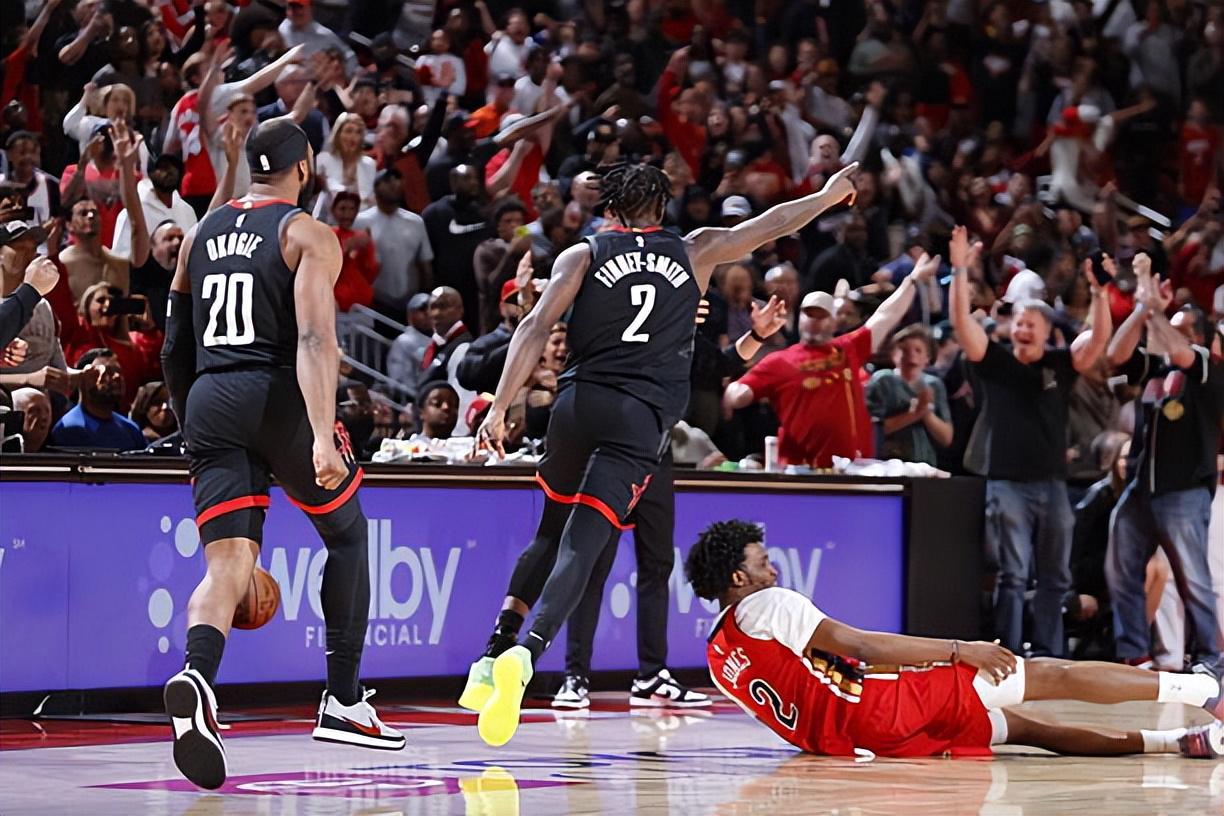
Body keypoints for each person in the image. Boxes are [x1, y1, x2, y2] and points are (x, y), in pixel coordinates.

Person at [458, 160, 859, 747]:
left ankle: (492, 654)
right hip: (639, 417)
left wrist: (498, 408)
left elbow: (535, 326)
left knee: (549, 530)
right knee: (584, 543)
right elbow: (772, 224)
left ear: (610, 209)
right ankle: (527, 655)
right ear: (663, 207)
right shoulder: (695, 250)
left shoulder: (583, 253)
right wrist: (825, 196)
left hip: (579, 403)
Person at [159, 118, 404, 791]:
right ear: (304, 168)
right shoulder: (305, 233)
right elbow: (316, 341)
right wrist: (322, 434)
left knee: (227, 564)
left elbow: (173, 346)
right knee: (347, 534)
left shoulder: (200, 234)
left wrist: (189, 421)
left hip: (209, 398)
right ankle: (343, 700)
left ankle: (197, 677)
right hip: (275, 396)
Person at [686, 519, 1224, 760]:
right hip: (886, 706)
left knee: (1025, 729)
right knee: (1048, 674)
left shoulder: (717, 654)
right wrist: (959, 650)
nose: (774, 569)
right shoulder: (768, 604)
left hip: (860, 741)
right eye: (762, 562)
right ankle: (1202, 690)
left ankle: (1177, 743)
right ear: (738, 577)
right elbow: (861, 647)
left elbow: (809, 695)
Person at [554, 296, 792, 710]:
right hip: (611, 450)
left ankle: (651, 675)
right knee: (594, 564)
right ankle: (575, 676)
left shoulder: (682, 333)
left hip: (657, 453)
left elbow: (718, 366)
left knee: (657, 564)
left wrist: (756, 334)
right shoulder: (621, 322)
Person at [948, 225, 1114, 658]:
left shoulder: (1061, 364)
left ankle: (1048, 654)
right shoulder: (995, 362)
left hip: (1053, 484)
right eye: (1019, 322)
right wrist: (959, 271)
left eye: (1032, 323)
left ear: (1047, 330)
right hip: (1007, 484)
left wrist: (1100, 293)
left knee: (1056, 576)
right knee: (1013, 574)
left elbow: (1098, 339)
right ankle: (1009, 653)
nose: (1023, 328)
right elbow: (962, 322)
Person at [1106, 254, 1224, 676]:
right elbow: (1116, 353)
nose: (1169, 332)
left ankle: (1210, 658)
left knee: (1193, 579)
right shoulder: (1157, 367)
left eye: (1183, 328)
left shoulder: (1210, 370)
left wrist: (1154, 305)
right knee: (1120, 564)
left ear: (1201, 338)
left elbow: (1178, 349)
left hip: (1184, 488)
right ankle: (1135, 654)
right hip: (1142, 485)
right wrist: (1143, 308)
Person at [721, 251, 943, 468]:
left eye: (822, 316)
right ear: (800, 318)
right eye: (809, 314)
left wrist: (912, 280)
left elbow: (886, 315)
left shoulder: (848, 348)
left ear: (834, 322)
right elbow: (739, 391)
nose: (815, 321)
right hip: (803, 470)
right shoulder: (780, 361)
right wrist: (732, 395)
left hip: (853, 467)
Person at [866, 323, 954, 466]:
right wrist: (915, 413)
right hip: (888, 464)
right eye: (904, 350)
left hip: (924, 465)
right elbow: (873, 430)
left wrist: (926, 412)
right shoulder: (883, 380)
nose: (911, 355)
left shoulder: (934, 384)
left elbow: (946, 438)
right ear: (893, 354)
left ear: (927, 357)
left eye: (918, 350)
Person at [48, 347, 145, 450]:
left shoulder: (131, 429)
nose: (117, 376)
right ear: (82, 379)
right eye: (107, 372)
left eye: (119, 372)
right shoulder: (68, 429)